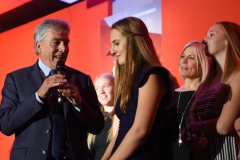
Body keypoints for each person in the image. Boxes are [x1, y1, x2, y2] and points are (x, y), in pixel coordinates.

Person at [0, 18, 104, 160]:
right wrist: (38, 97)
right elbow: (6, 125)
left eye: (66, 43)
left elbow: (97, 126)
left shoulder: (82, 79)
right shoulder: (16, 79)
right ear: (39, 46)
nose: (64, 48)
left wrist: (80, 104)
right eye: (56, 42)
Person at [101, 17, 173, 160]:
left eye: (116, 43)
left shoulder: (152, 75)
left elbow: (140, 130)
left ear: (134, 41)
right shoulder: (130, 80)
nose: (112, 51)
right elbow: (122, 130)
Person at [183, 22, 240, 159]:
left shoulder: (237, 75)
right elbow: (192, 119)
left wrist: (192, 129)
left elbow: (224, 126)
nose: (204, 40)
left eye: (211, 35)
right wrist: (195, 138)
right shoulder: (206, 83)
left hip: (227, 153)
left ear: (228, 40)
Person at [167, 41, 210, 160]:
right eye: (182, 56)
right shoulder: (170, 94)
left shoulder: (208, 94)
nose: (184, 60)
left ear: (202, 63)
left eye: (191, 58)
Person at [88, 73, 118, 160]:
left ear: (116, 87)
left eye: (106, 86)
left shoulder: (124, 117)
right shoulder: (93, 118)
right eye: (96, 88)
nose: (101, 91)